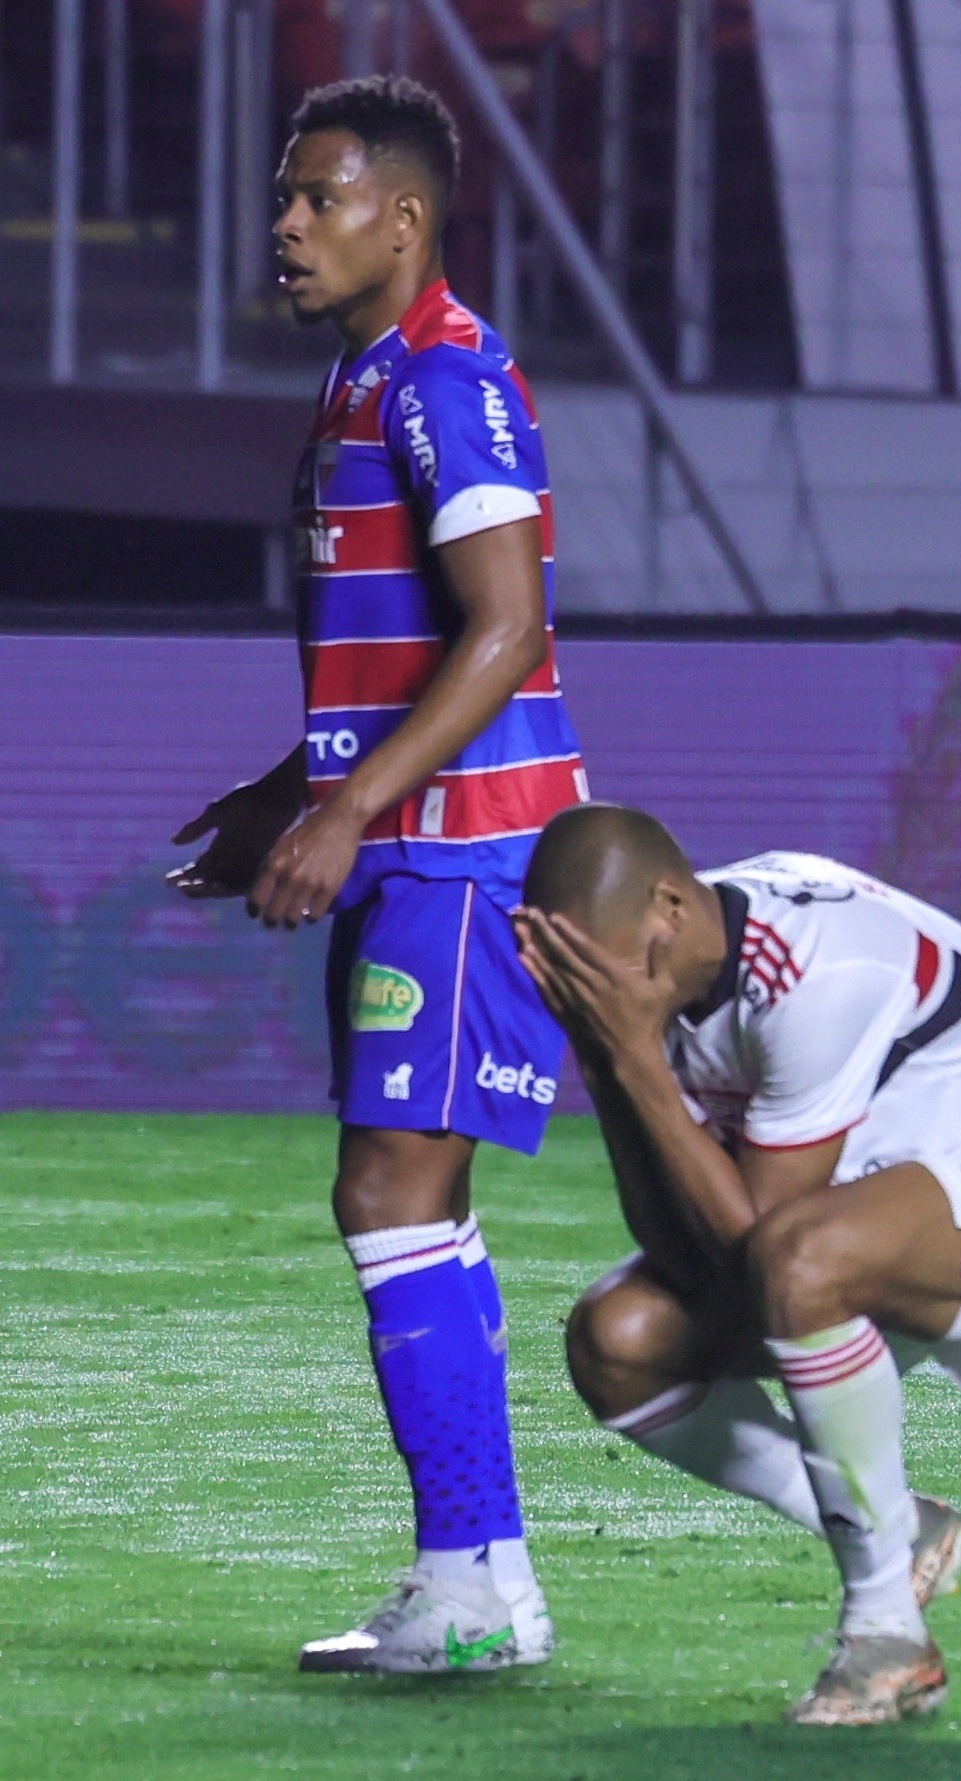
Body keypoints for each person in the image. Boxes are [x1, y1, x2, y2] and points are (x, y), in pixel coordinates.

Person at [169, 76, 587, 1674]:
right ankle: (479, 1579)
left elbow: (506, 628)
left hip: (467, 853)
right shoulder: (359, 385)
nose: (286, 222)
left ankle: (476, 1586)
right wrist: (297, 790)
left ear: (401, 220)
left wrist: (347, 820)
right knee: (415, 1205)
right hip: (409, 844)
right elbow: (400, 653)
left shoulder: (445, 381)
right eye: (283, 196)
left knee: (388, 1194)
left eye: (318, 196)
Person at [513, 806, 961, 1725]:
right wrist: (613, 1064)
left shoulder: (818, 968)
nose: (603, 993)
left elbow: (755, 1250)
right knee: (621, 1339)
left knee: (799, 1263)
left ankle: (887, 1632)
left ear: (672, 904)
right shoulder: (649, 979)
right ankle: (907, 1530)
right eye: (578, 981)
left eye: (610, 968)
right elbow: (681, 1241)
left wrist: (634, 1060)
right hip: (861, 1209)